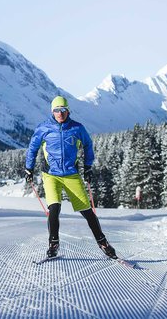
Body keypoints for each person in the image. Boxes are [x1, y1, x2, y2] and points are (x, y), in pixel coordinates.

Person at [25, 96, 116, 259]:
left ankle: (103, 243)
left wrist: (88, 167)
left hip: (71, 174)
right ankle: (53, 244)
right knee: (54, 208)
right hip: (51, 175)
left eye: (63, 110)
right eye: (56, 110)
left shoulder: (77, 128)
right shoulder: (43, 128)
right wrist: (28, 168)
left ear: (68, 111)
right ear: (52, 111)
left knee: (87, 211)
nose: (60, 113)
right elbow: (33, 147)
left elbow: (88, 145)